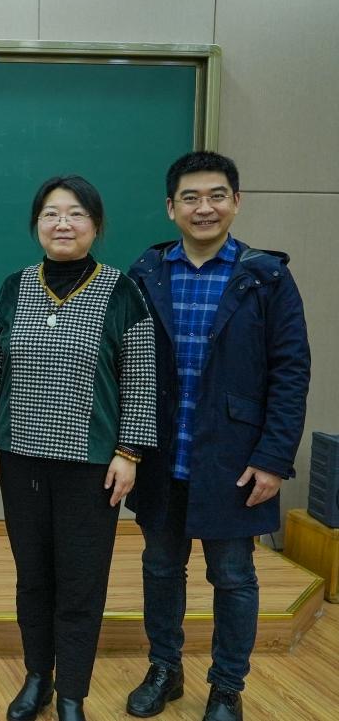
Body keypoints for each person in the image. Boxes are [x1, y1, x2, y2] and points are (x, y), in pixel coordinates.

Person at [124, 151, 310, 721]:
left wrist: (274, 457)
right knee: (160, 569)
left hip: (234, 459)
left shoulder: (266, 277)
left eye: (216, 196)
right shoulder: (145, 273)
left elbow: (291, 371)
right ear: (170, 207)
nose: (203, 208)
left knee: (233, 576)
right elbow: (125, 366)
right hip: (161, 456)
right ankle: (165, 668)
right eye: (190, 197)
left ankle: (227, 686)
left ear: (236, 201)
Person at [0, 175, 156, 721]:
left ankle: (72, 691)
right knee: (33, 577)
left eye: (75, 214)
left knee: (81, 581)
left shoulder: (122, 291)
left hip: (92, 465)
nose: (62, 224)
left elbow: (141, 377)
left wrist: (130, 451)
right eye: (51, 214)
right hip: (19, 456)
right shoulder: (13, 288)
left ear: (95, 225)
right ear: (37, 225)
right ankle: (37, 678)